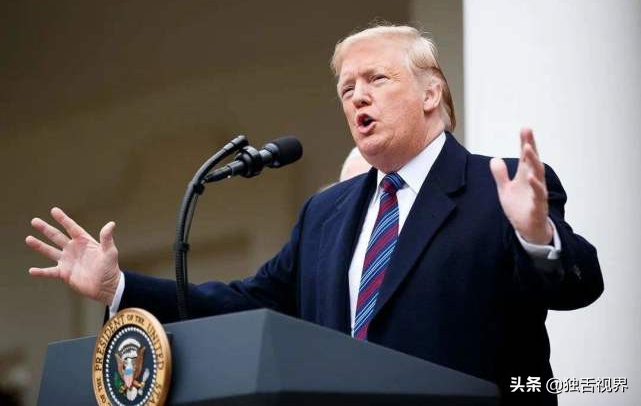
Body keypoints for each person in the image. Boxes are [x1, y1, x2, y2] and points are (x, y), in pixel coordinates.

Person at [25, 25, 603, 405]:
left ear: (431, 94)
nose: (357, 97)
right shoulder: (326, 214)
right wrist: (118, 287)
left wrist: (536, 235)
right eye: (346, 88)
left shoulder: (499, 186)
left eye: (376, 79)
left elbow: (582, 284)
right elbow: (247, 302)